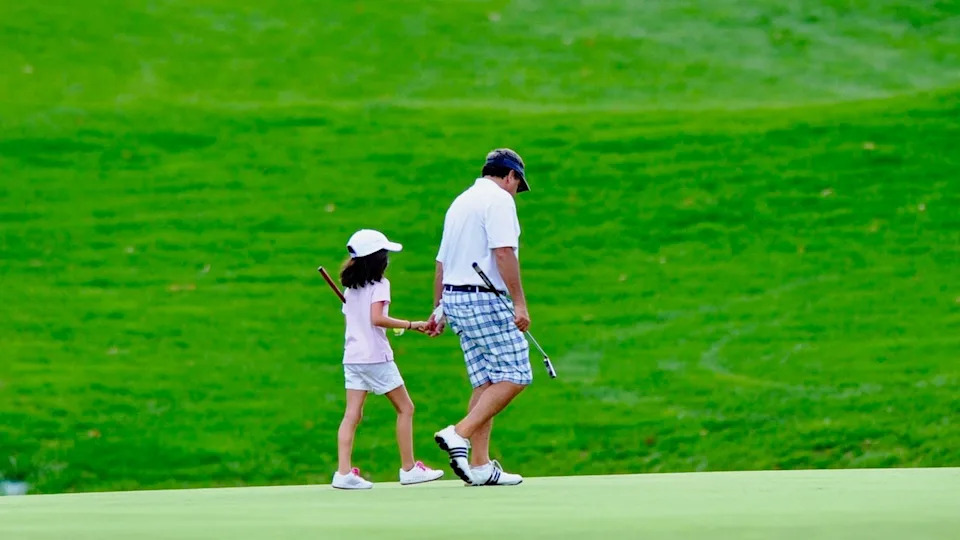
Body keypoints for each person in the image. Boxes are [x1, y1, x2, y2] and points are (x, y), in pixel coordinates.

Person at [427, 148, 533, 486]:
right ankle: (459, 433)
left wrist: (439, 307)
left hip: (456, 299)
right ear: (510, 176)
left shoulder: (461, 201)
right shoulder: (500, 201)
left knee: (486, 381)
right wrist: (519, 304)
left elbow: (441, 262)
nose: (517, 190)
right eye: (519, 183)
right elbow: (503, 252)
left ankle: (482, 464)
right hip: (483, 298)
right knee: (517, 374)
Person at [332, 229, 445, 489]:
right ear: (377, 260)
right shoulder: (380, 285)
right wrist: (411, 324)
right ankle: (408, 468)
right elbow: (377, 318)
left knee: (352, 415)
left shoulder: (351, 290)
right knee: (406, 408)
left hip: (353, 358)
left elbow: (356, 317)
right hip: (375, 357)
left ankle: (343, 472)